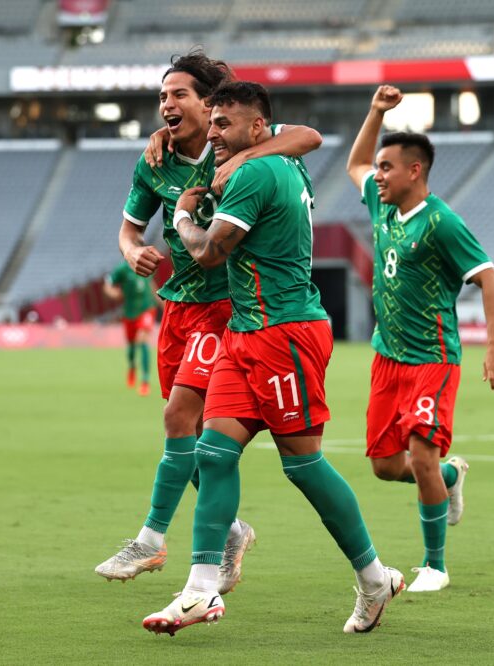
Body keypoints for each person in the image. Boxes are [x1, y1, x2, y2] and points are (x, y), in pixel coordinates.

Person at [141, 81, 403, 636]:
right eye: (210, 122)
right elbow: (302, 136)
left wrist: (185, 215)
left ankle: (373, 577)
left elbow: (210, 254)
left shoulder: (255, 171)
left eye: (223, 123)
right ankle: (201, 588)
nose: (212, 133)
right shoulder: (273, 155)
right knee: (213, 454)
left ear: (257, 128)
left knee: (303, 463)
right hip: (245, 331)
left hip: (285, 333)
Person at [95, 50, 323, 594]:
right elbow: (129, 230)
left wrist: (243, 159)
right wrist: (132, 253)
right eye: (162, 97)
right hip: (177, 306)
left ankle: (150, 540)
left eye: (178, 95)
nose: (166, 106)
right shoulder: (154, 161)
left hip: (228, 307)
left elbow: (308, 136)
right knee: (192, 435)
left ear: (207, 102)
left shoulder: (239, 143)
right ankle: (231, 531)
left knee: (179, 418)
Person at [346, 85, 494, 593]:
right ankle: (452, 478)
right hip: (386, 358)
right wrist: (375, 113)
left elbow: (488, 277)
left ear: (414, 170)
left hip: (432, 360)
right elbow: (355, 164)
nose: (378, 175)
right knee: (384, 466)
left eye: (387, 167)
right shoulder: (382, 204)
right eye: (380, 168)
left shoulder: (442, 223)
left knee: (420, 458)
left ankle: (435, 565)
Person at [103, 261, 160, 396]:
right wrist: (113, 293)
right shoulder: (122, 269)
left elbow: (150, 284)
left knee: (143, 340)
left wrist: (161, 302)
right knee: (131, 346)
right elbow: (108, 284)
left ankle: (145, 382)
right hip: (129, 312)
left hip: (146, 309)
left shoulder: (146, 263)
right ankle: (132, 366)